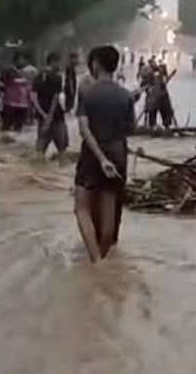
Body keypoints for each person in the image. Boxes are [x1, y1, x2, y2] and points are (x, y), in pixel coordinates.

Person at [74, 46, 135, 263]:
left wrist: (100, 158)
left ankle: (96, 261)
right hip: (119, 154)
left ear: (96, 63)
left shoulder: (87, 92)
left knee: (81, 207)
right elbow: (130, 129)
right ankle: (103, 257)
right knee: (110, 210)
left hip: (92, 155)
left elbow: (83, 129)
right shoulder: (125, 96)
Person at [32, 52, 68, 163]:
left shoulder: (38, 76)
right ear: (54, 62)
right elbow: (55, 99)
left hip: (42, 115)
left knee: (40, 148)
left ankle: (38, 172)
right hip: (56, 116)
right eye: (58, 62)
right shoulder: (57, 77)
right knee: (62, 148)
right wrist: (49, 117)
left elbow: (33, 97)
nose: (59, 65)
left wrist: (42, 114)